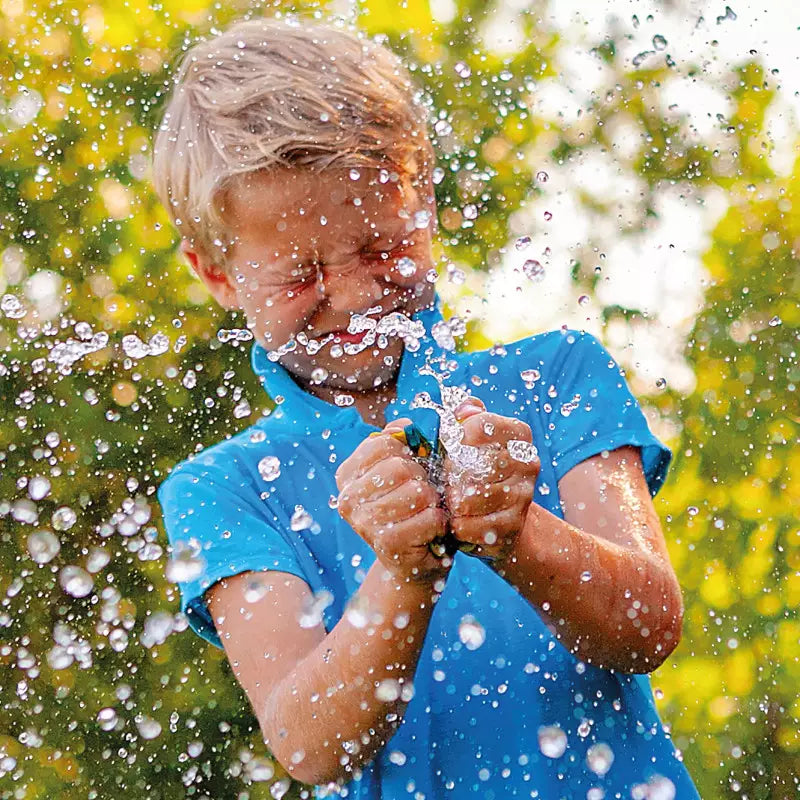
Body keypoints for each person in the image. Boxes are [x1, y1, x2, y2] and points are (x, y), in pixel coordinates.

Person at [154, 16, 700, 800]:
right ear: (216, 273)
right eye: (300, 274)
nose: (350, 295)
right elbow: (308, 744)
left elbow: (649, 625)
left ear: (426, 203)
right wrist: (402, 573)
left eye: (380, 249)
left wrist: (520, 534)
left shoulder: (558, 377)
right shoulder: (228, 488)